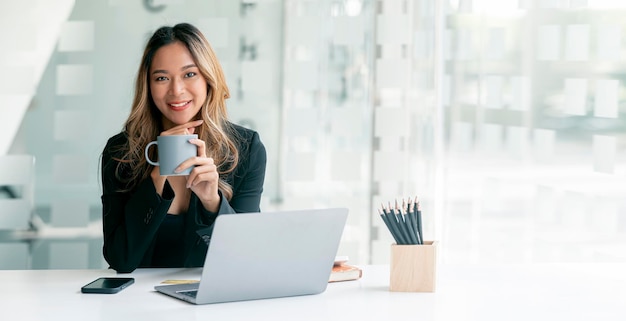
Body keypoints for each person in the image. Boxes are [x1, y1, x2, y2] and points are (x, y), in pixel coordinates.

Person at [100, 23, 267, 273]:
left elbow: (245, 257)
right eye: (162, 78)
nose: (176, 90)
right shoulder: (122, 152)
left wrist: (212, 200)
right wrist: (157, 176)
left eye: (190, 74)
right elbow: (120, 259)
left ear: (208, 78)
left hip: (211, 301)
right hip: (139, 306)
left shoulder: (245, 149)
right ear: (148, 86)